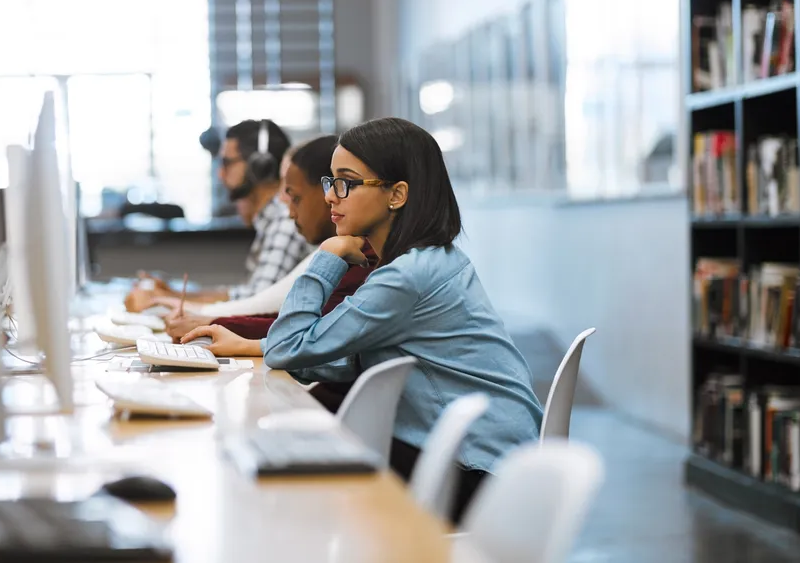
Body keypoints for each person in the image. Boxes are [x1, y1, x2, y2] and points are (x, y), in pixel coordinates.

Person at [185, 117, 542, 525]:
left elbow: (289, 348)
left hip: (476, 470)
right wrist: (252, 346)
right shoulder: (428, 260)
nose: (331, 197)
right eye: (330, 181)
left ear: (397, 194)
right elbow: (354, 355)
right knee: (293, 454)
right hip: (495, 457)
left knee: (292, 477)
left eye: (347, 182)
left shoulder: (405, 277)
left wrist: (328, 255)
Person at [168, 135, 374, 350]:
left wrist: (214, 325)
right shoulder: (351, 250)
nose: (330, 196)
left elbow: (304, 336)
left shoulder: (363, 258)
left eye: (343, 184)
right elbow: (298, 326)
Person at [126, 119, 310, 309]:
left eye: (227, 163)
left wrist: (164, 300)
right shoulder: (272, 222)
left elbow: (255, 305)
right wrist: (172, 294)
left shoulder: (285, 223)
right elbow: (246, 295)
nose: (220, 174)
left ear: (259, 167)